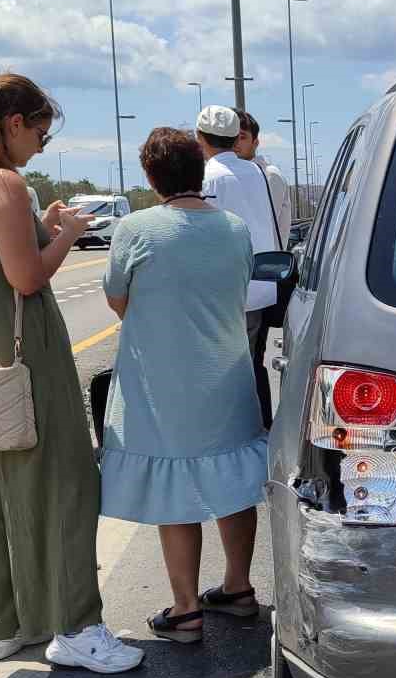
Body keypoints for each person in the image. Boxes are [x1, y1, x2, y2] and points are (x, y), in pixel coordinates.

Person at [0, 74, 143, 674]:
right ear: (14, 123)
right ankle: (75, 626)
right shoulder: (4, 183)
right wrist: (70, 235)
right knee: (67, 486)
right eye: (41, 133)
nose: (43, 145)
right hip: (28, 362)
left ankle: (4, 624)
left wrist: (42, 222)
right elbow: (26, 278)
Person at [99, 128, 268, 641]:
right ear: (199, 171)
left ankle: (185, 609)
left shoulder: (137, 229)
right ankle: (238, 588)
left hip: (163, 380)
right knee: (234, 476)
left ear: (152, 177)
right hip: (227, 371)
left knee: (176, 484)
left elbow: (118, 299)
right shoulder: (236, 228)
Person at [197, 105, 282, 429]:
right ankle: (261, 427)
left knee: (227, 371)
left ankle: (239, 434)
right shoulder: (257, 171)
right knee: (252, 364)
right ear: (235, 138)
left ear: (200, 138)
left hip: (226, 292)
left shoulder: (207, 176)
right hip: (260, 287)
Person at [234, 110, 291, 246]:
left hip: (264, 263)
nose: (236, 143)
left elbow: (262, 227)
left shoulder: (269, 175)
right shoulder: (233, 177)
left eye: (242, 137)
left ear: (255, 142)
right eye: (232, 138)